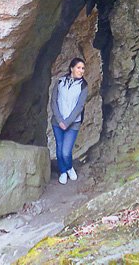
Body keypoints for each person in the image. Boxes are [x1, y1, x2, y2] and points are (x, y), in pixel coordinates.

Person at [50, 57, 88, 185]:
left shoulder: (83, 86)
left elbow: (79, 107)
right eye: (78, 67)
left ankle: (69, 167)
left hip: (73, 124)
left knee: (66, 151)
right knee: (60, 149)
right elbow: (53, 101)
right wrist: (60, 120)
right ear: (71, 68)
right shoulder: (60, 82)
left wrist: (67, 122)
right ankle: (63, 171)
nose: (81, 70)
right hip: (57, 122)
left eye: (83, 68)